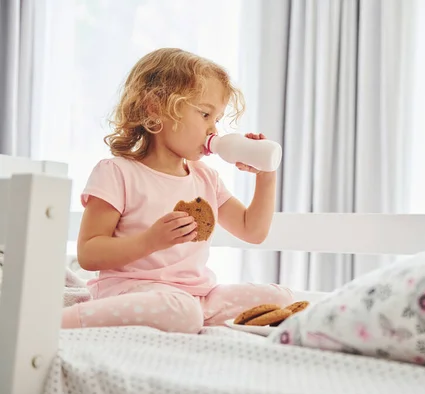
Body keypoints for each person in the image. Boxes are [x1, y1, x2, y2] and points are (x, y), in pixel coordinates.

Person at [61, 48, 293, 333]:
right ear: (154, 108)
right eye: (205, 114)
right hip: (131, 293)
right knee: (182, 311)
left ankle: (190, 314)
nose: (214, 130)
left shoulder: (206, 178)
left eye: (217, 119)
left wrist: (266, 175)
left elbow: (252, 230)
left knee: (279, 297)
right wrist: (150, 241)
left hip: (197, 297)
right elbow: (89, 253)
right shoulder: (118, 173)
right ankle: (61, 322)